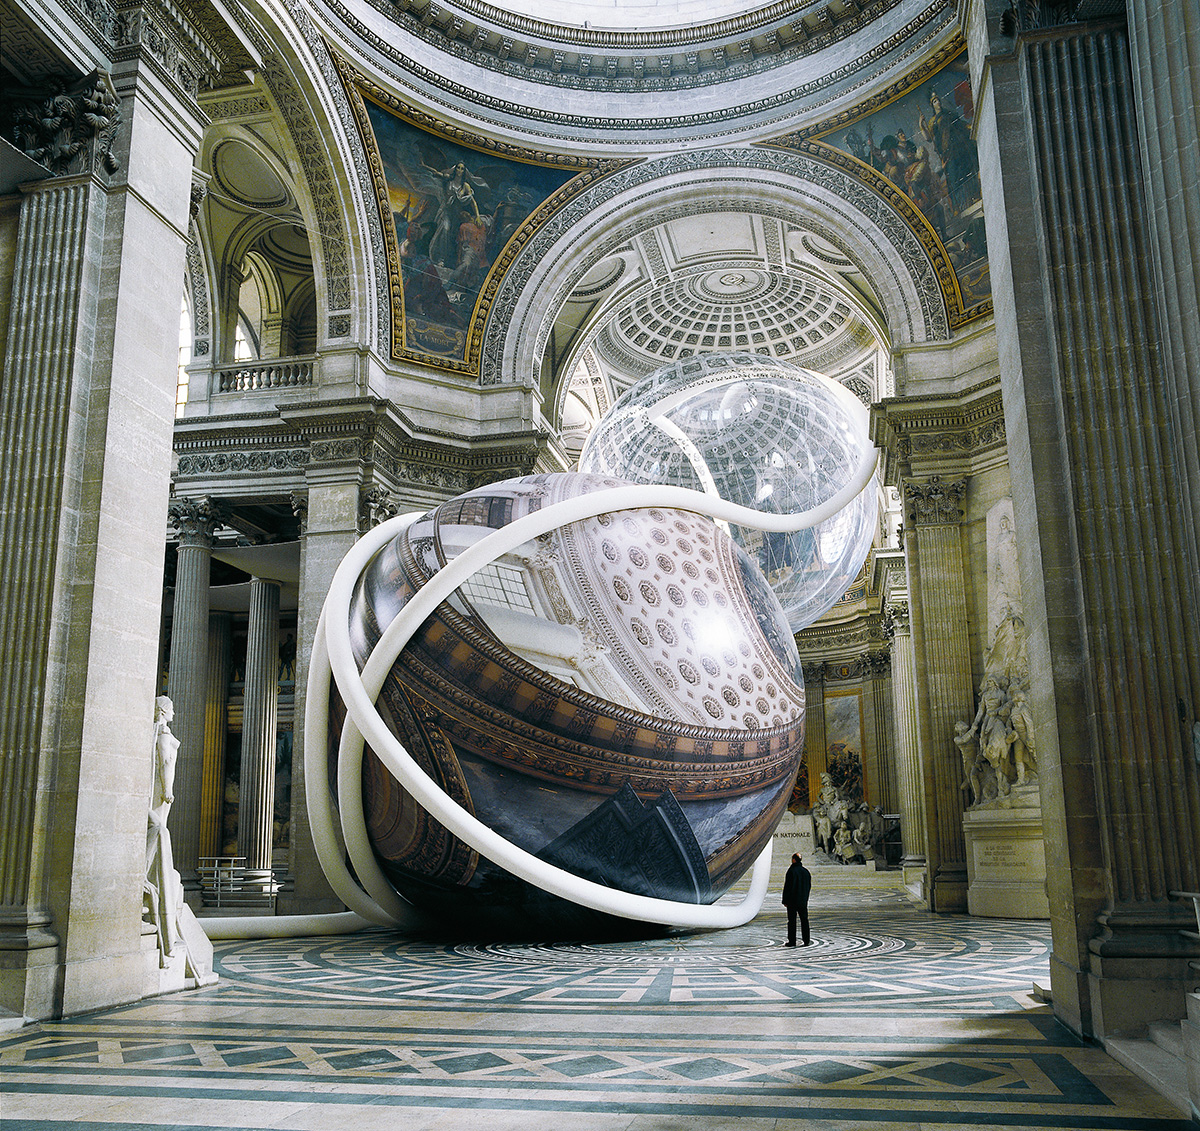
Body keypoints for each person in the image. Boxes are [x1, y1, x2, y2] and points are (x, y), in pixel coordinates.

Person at [781, 852, 812, 947]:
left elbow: (788, 887)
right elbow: (808, 886)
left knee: (792, 921)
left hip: (792, 901)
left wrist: (785, 900)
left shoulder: (791, 871)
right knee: (804, 920)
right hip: (802, 901)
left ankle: (792, 941)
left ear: (794, 860)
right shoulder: (806, 872)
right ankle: (806, 940)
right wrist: (805, 898)